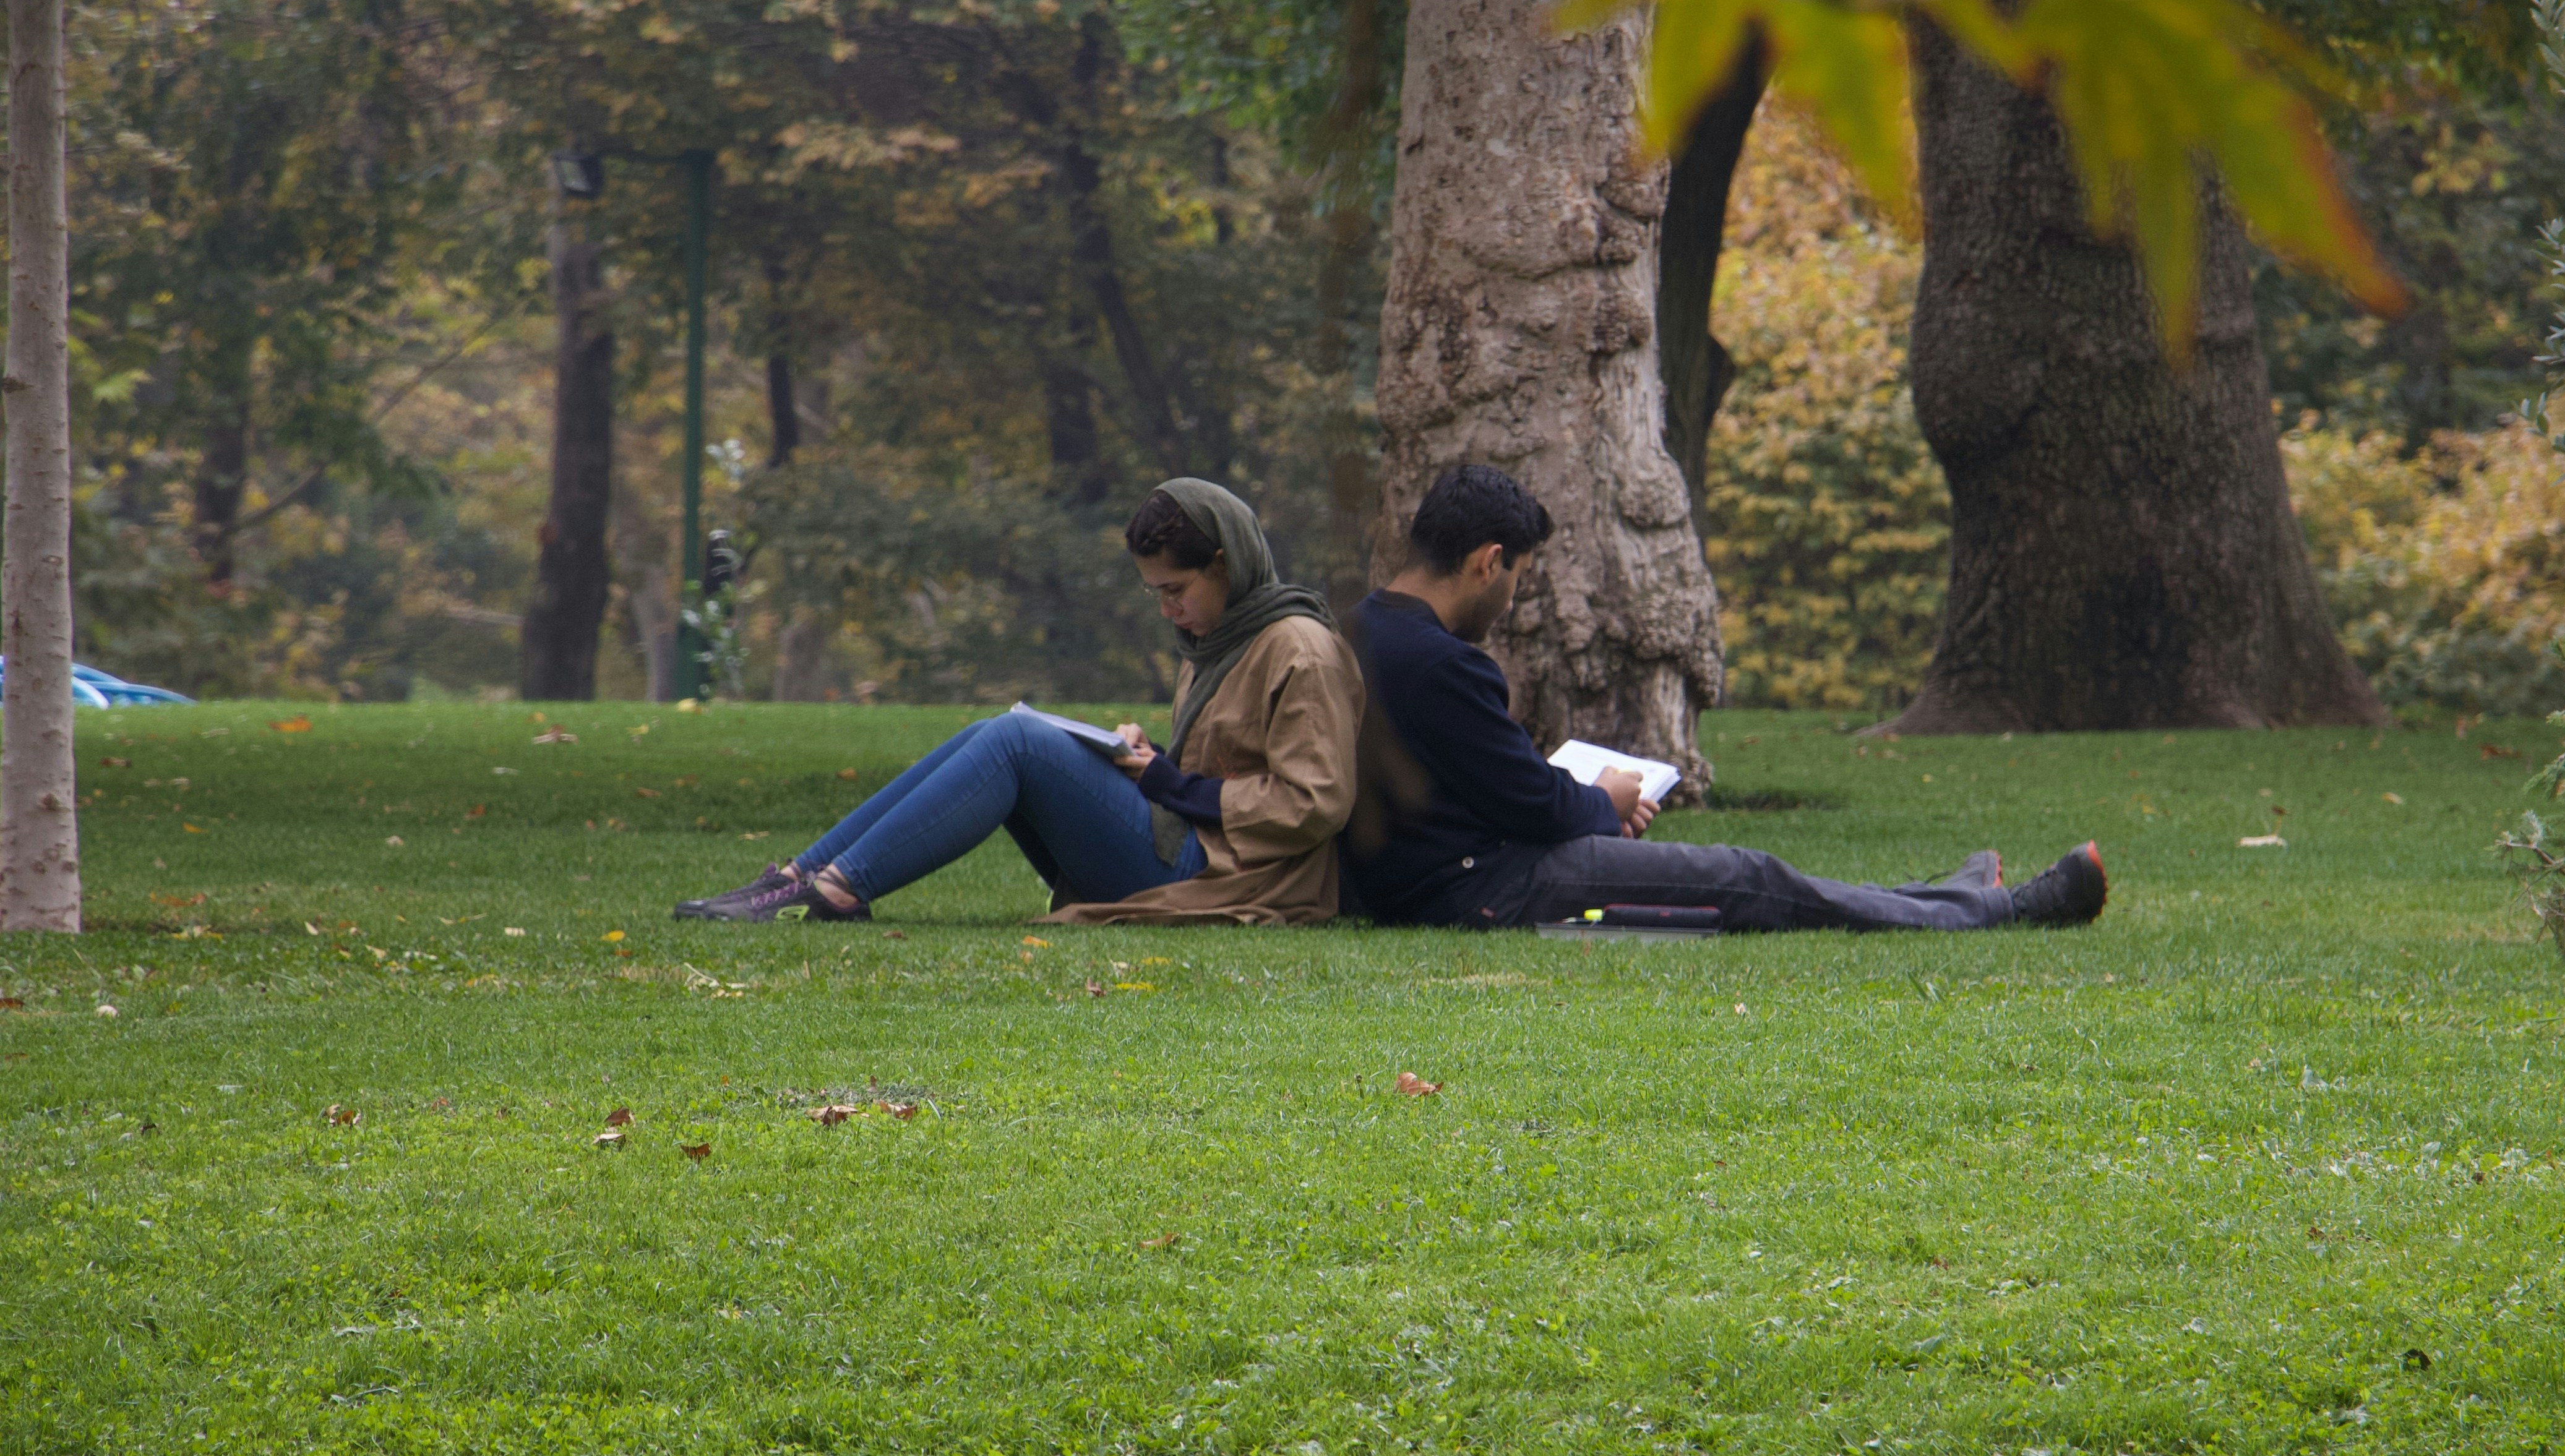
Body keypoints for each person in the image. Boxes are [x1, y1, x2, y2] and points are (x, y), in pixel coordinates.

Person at [1341, 464, 2106, 933]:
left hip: (1449, 872)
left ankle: (1950, 899)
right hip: (1482, 886)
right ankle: (2000, 912)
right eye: (1518, 580)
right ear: (1489, 562)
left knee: (1755, 877)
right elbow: (1533, 806)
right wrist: (1604, 800)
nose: (1511, 601)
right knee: (1748, 879)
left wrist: (1578, 797)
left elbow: (1471, 779)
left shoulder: (1363, 631)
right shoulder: (1444, 664)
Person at [675, 478, 1362, 926]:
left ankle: (838, 889)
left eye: (1176, 589)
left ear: (1225, 565)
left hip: (1230, 877)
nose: (1167, 610)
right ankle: (801, 875)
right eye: (1155, 593)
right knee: (998, 730)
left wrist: (1173, 782)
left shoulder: (1298, 648)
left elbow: (1317, 802)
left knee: (1017, 743)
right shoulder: (1220, 641)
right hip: (1188, 847)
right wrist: (1148, 760)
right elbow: (1211, 770)